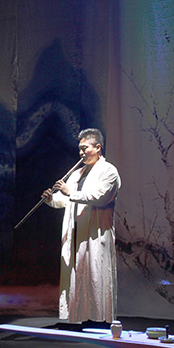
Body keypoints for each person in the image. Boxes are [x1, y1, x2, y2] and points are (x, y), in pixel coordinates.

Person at [42, 128, 121, 323]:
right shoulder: (77, 174)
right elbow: (64, 201)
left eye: (85, 148)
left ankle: (99, 319)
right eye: (79, 149)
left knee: (95, 273)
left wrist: (70, 192)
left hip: (95, 232)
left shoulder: (109, 171)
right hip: (76, 232)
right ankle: (78, 317)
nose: (81, 152)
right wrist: (51, 199)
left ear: (98, 147)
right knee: (76, 273)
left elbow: (100, 197)